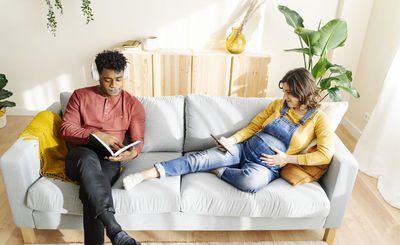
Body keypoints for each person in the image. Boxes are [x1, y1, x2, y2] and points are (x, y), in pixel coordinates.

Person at [123, 67, 334, 193]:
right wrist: (231, 141)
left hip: (267, 167)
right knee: (198, 159)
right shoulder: (279, 106)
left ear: (303, 92)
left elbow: (324, 155)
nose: (285, 97)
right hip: (244, 149)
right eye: (285, 92)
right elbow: (253, 126)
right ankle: (144, 175)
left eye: (290, 93)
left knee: (250, 183)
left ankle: (219, 170)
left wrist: (287, 160)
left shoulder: (318, 119)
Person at [60, 50, 145, 245]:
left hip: (110, 160)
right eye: (108, 80)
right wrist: (95, 135)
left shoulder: (133, 104)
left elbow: (138, 139)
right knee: (88, 162)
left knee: (94, 189)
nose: (114, 85)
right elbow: (66, 129)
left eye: (118, 79)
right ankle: (114, 228)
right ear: (98, 76)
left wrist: (132, 152)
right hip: (80, 155)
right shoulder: (79, 96)